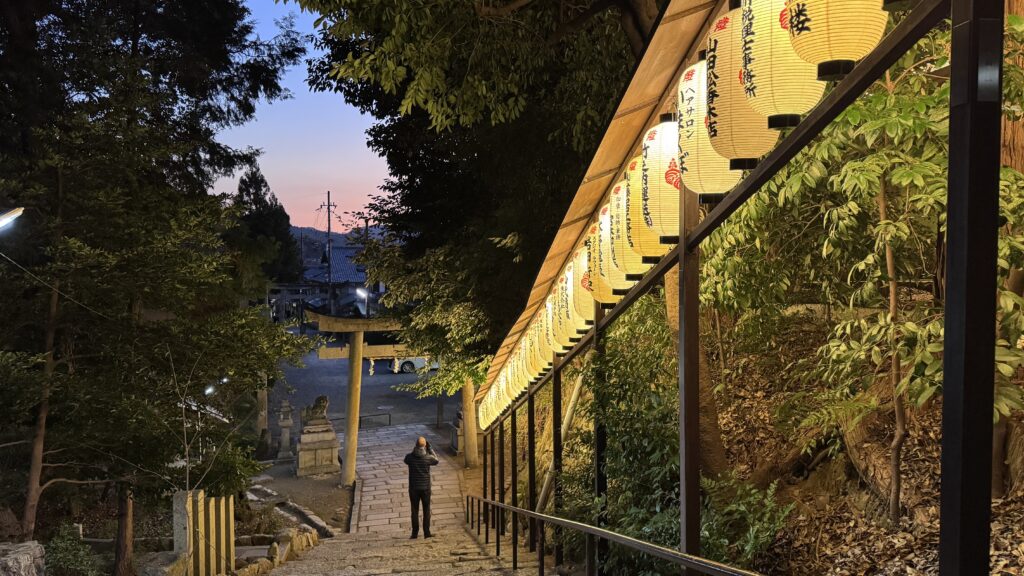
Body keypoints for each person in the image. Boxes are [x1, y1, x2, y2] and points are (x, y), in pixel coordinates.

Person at [404, 436, 439, 539]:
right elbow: (436, 460)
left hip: (413, 488)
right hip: (425, 489)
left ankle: (414, 533)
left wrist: (415, 449)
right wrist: (430, 449)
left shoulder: (409, 457)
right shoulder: (428, 458)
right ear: (425, 446)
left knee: (414, 511)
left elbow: (406, 460)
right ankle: (427, 533)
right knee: (426, 510)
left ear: (415, 445)